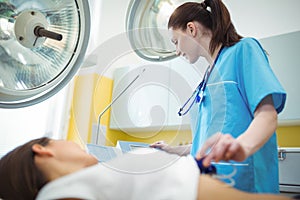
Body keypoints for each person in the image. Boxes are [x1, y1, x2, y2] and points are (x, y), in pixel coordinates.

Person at [150, 0, 286, 193]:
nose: (177, 50)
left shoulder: (243, 50)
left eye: (176, 41)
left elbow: (267, 116)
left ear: (191, 29)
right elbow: (207, 143)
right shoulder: (208, 75)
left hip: (244, 185)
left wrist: (242, 146)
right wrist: (171, 150)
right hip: (210, 186)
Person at [0, 137, 294, 200]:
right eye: (60, 137)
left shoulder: (89, 181)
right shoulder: (56, 195)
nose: (73, 142)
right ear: (43, 149)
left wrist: (192, 166)